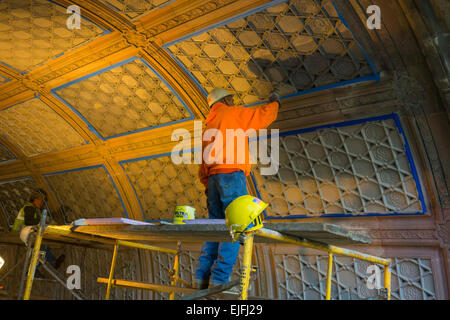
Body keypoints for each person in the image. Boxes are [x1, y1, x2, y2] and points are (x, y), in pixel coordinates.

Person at [195, 88, 280, 289]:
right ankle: (219, 281)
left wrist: (209, 184)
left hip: (214, 179)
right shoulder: (231, 113)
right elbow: (261, 116)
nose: (234, 100)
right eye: (231, 98)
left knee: (215, 229)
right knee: (236, 227)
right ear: (225, 100)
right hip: (232, 175)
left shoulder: (209, 125)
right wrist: (275, 102)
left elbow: (203, 162)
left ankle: (201, 279)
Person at [13, 189, 65, 271]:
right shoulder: (29, 207)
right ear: (36, 200)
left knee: (44, 246)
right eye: (41, 201)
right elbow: (28, 221)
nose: (41, 204)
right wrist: (41, 222)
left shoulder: (32, 208)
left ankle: (45, 265)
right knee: (42, 247)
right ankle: (35, 268)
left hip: (24, 231)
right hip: (21, 231)